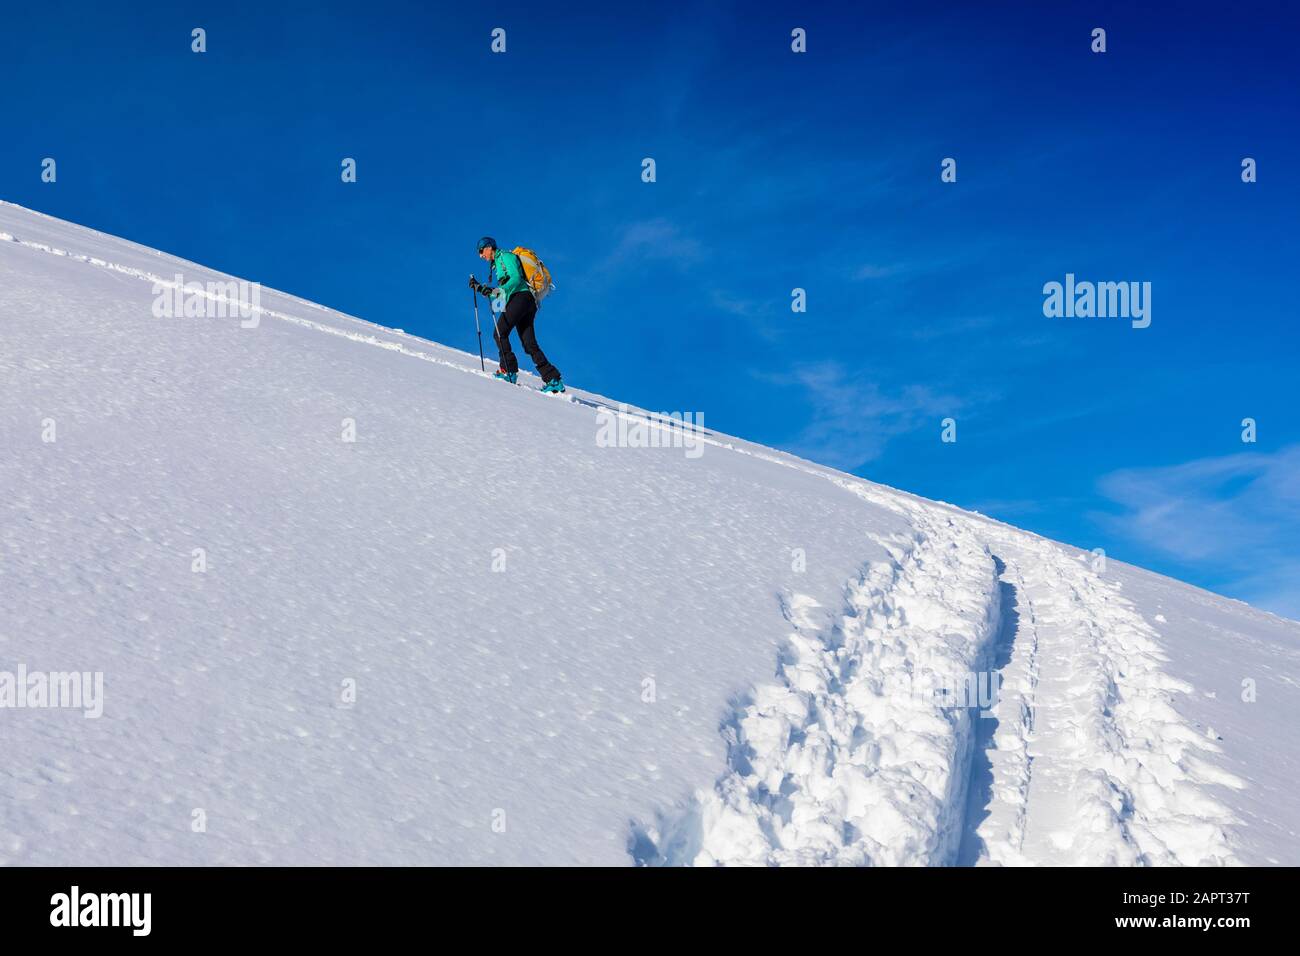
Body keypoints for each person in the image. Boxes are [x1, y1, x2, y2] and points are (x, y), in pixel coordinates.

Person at [469, 237, 564, 393]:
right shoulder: (498, 265)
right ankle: (553, 380)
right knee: (529, 343)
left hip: (521, 298)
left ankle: (508, 371)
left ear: (489, 247)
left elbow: (515, 279)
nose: (480, 255)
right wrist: (480, 289)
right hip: (526, 301)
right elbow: (502, 293)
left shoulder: (505, 257)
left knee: (500, 333)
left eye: (481, 251)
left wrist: (495, 291)